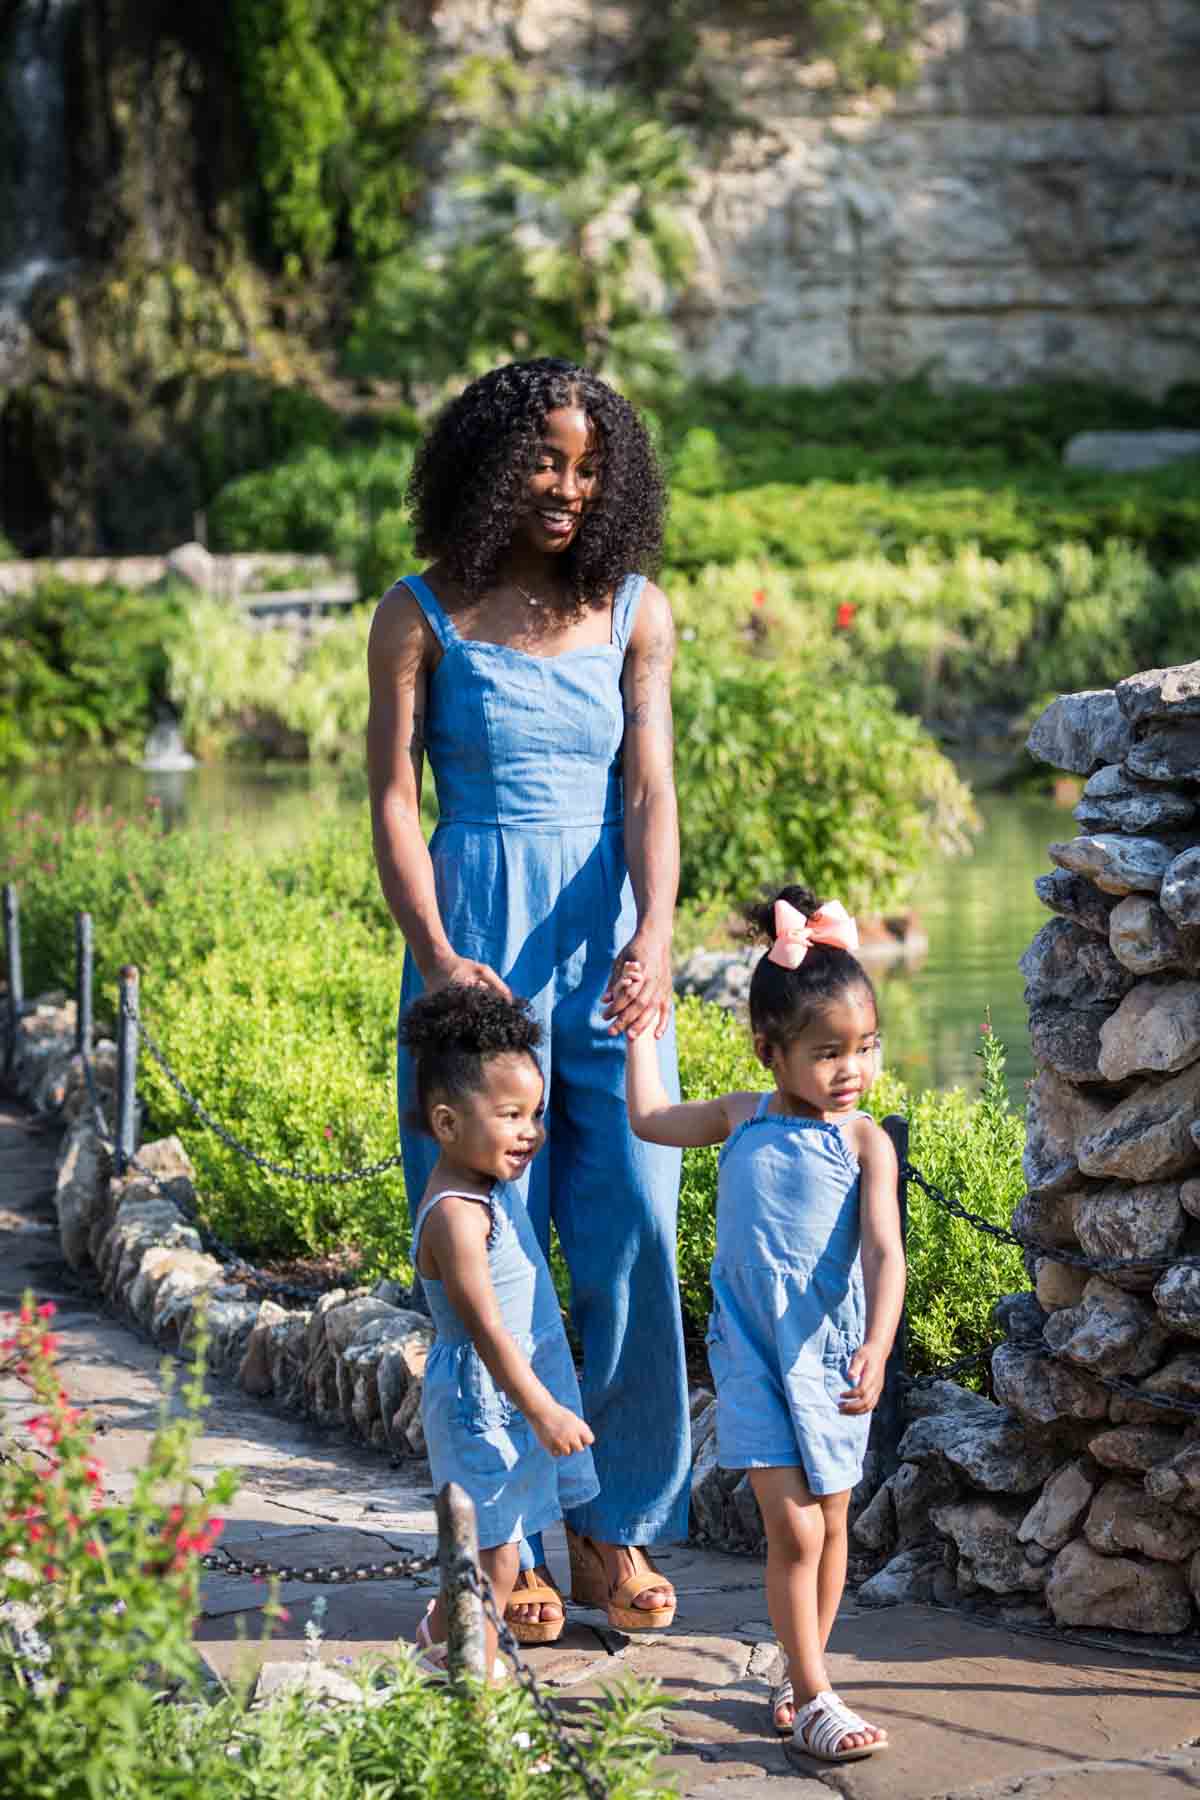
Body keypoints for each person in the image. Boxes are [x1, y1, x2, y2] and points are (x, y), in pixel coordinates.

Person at [366, 358, 687, 1643]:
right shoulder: (418, 611)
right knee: (486, 1259)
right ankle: (502, 1550)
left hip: (612, 948)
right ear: (494, 462)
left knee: (632, 1242)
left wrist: (659, 933)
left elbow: (651, 790)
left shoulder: (633, 610)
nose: (567, 486)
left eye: (590, 465)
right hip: (476, 946)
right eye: (546, 460)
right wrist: (437, 953)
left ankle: (613, 1533)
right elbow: (395, 796)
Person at [624, 886, 906, 1764]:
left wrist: (878, 1345)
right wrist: (641, 1034)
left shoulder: (865, 1142)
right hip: (750, 1353)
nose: (851, 1070)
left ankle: (799, 1671)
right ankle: (819, 1694)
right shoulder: (743, 1116)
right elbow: (648, 1119)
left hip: (830, 1355)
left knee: (834, 1524)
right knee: (796, 1530)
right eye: (827, 1054)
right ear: (769, 1052)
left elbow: (885, 1257)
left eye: (864, 1048)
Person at [399, 984, 598, 1678]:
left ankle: (438, 1641)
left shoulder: (488, 1193)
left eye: (535, 1113)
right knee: (495, 1553)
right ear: (448, 1123)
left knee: (503, 1545)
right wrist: (540, 1407)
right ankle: (476, 1693)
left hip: (504, 1396)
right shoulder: (457, 1214)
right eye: (510, 1114)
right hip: (485, 1402)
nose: (530, 1131)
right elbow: (483, 1327)